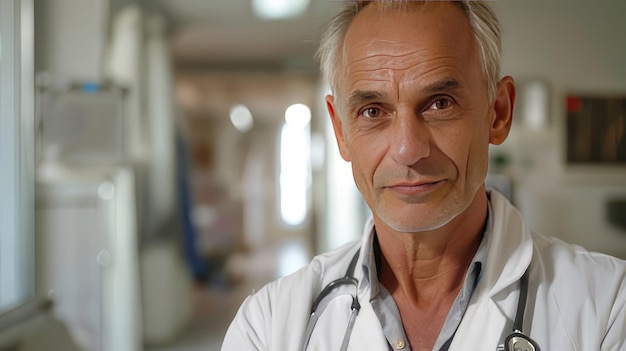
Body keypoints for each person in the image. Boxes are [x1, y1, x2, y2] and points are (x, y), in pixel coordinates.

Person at [222, 1, 626, 350]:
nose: (407, 149)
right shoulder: (268, 326)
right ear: (341, 132)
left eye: (439, 103)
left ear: (498, 113)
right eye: (372, 111)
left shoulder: (609, 307)